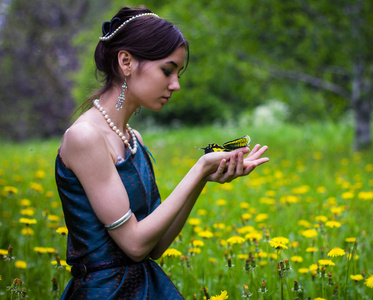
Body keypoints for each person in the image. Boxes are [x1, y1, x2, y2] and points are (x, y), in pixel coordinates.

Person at [55, 6, 269, 299]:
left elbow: (154, 247)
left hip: (144, 286)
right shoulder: (85, 137)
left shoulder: (133, 139)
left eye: (178, 73)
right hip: (105, 292)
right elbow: (134, 244)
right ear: (126, 61)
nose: (176, 85)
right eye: (167, 70)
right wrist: (199, 168)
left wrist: (203, 178)